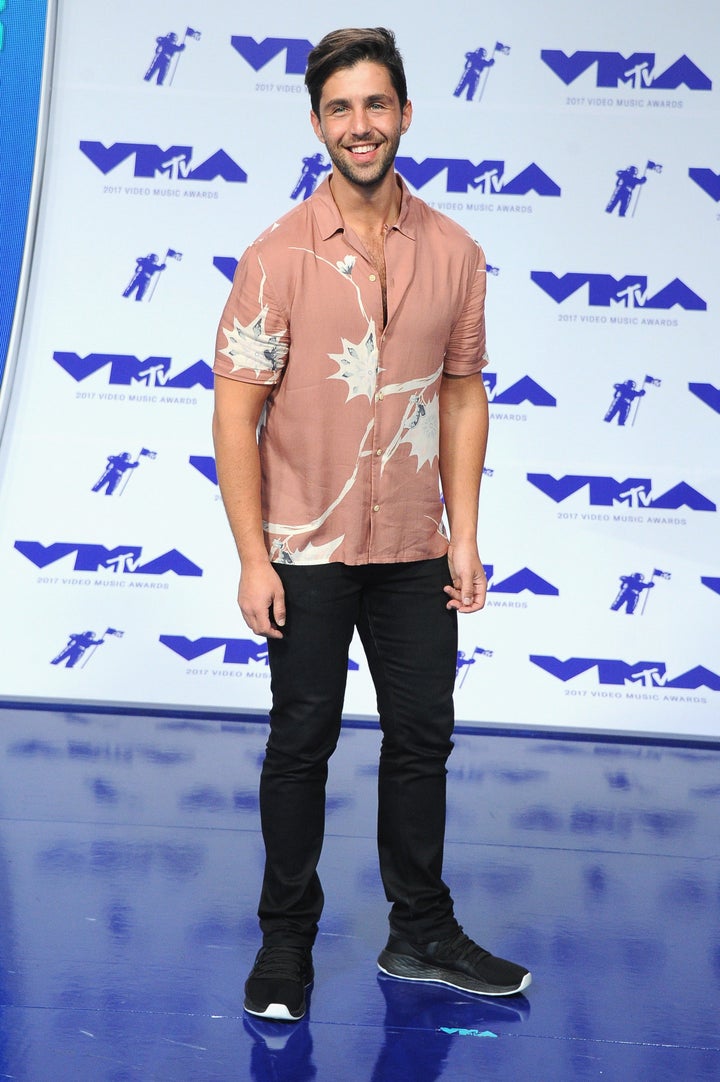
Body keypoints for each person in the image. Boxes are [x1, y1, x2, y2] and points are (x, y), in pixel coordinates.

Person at [213, 26, 531, 1023]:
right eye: (342, 108)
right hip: (302, 547)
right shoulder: (277, 255)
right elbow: (235, 411)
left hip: (411, 546)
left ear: (404, 113)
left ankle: (421, 931)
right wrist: (249, 556)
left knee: (421, 738)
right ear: (319, 123)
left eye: (377, 105)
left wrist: (465, 533)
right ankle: (285, 942)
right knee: (300, 740)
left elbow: (465, 390)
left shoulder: (456, 251)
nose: (362, 125)